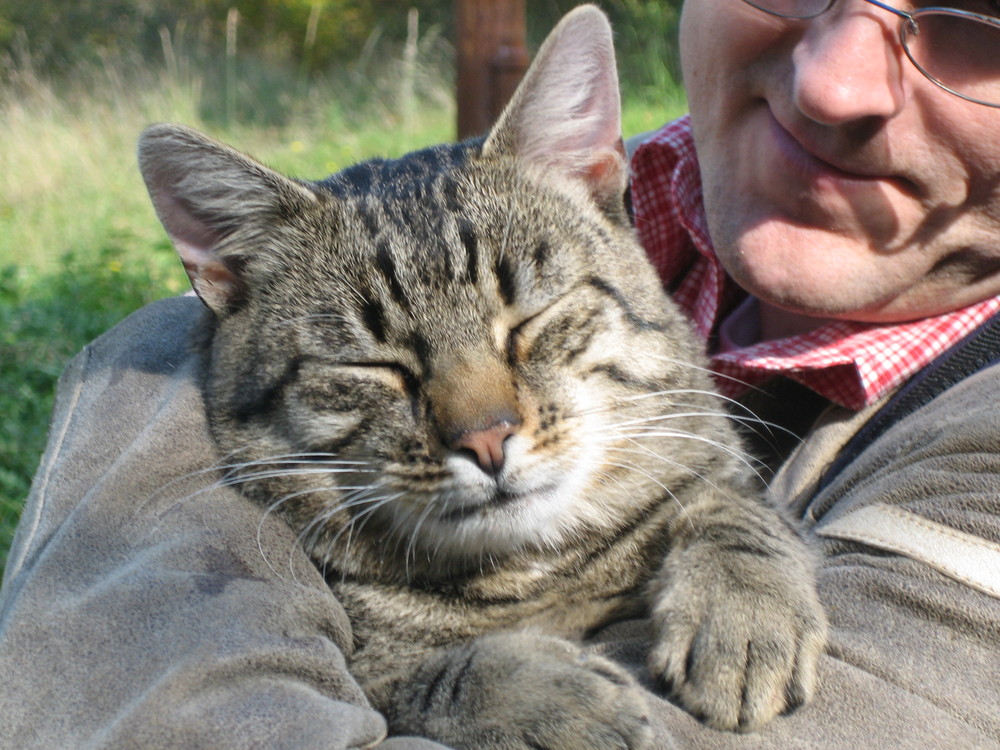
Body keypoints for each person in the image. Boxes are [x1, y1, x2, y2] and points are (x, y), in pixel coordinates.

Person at [2, 1, 999, 747]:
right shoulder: (589, 209)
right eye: (378, 367)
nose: (483, 424)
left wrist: (730, 536)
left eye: (973, 14)